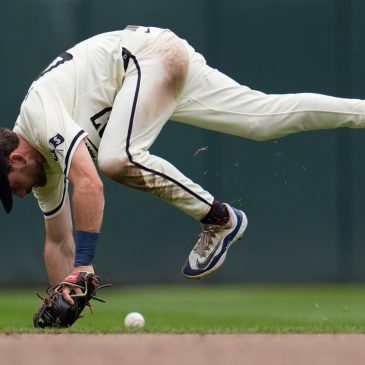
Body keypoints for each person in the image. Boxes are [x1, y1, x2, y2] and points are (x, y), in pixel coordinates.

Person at [1, 26, 365, 304]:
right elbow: (59, 240)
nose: (17, 194)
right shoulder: (40, 169)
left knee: (117, 159)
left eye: (9, 184)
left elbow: (90, 184)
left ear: (16, 158)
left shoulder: (40, 116)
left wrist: (83, 267)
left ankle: (220, 218)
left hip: (146, 57)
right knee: (262, 120)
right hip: (153, 59)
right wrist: (61, 296)